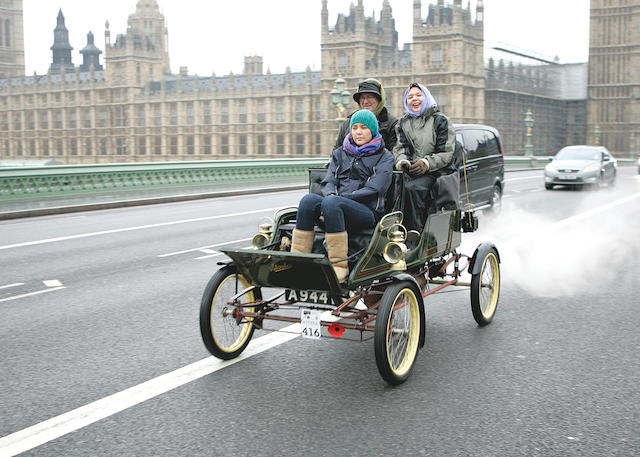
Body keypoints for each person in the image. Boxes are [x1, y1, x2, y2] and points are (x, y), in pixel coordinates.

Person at [292, 110, 394, 283]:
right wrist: (331, 195)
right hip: (336, 204)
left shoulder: (384, 157)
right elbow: (328, 181)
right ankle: (297, 260)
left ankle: (339, 267)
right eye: (354, 127)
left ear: (373, 131)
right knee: (308, 201)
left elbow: (375, 188)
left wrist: (341, 199)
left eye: (363, 128)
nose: (358, 132)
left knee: (332, 203)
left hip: (367, 211)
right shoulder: (340, 153)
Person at [393, 82, 456, 233]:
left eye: (418, 95)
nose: (414, 99)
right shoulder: (403, 123)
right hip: (413, 170)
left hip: (437, 171)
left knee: (412, 188)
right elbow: (401, 147)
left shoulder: (441, 120)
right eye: (410, 97)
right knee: (391, 186)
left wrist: (426, 163)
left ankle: (415, 232)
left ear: (427, 97)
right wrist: (402, 161)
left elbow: (445, 152)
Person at [334, 78, 398, 151]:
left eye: (370, 97)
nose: (365, 101)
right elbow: (336, 152)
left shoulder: (392, 124)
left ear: (379, 99)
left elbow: (394, 154)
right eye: (362, 98)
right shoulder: (348, 123)